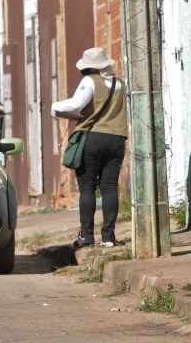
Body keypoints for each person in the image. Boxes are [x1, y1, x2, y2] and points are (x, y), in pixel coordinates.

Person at [51, 47, 128, 248]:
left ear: (91, 67)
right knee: (110, 188)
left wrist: (55, 107)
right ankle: (109, 237)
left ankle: (86, 235)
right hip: (117, 140)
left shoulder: (90, 81)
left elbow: (76, 105)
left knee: (87, 189)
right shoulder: (121, 84)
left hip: (92, 139)